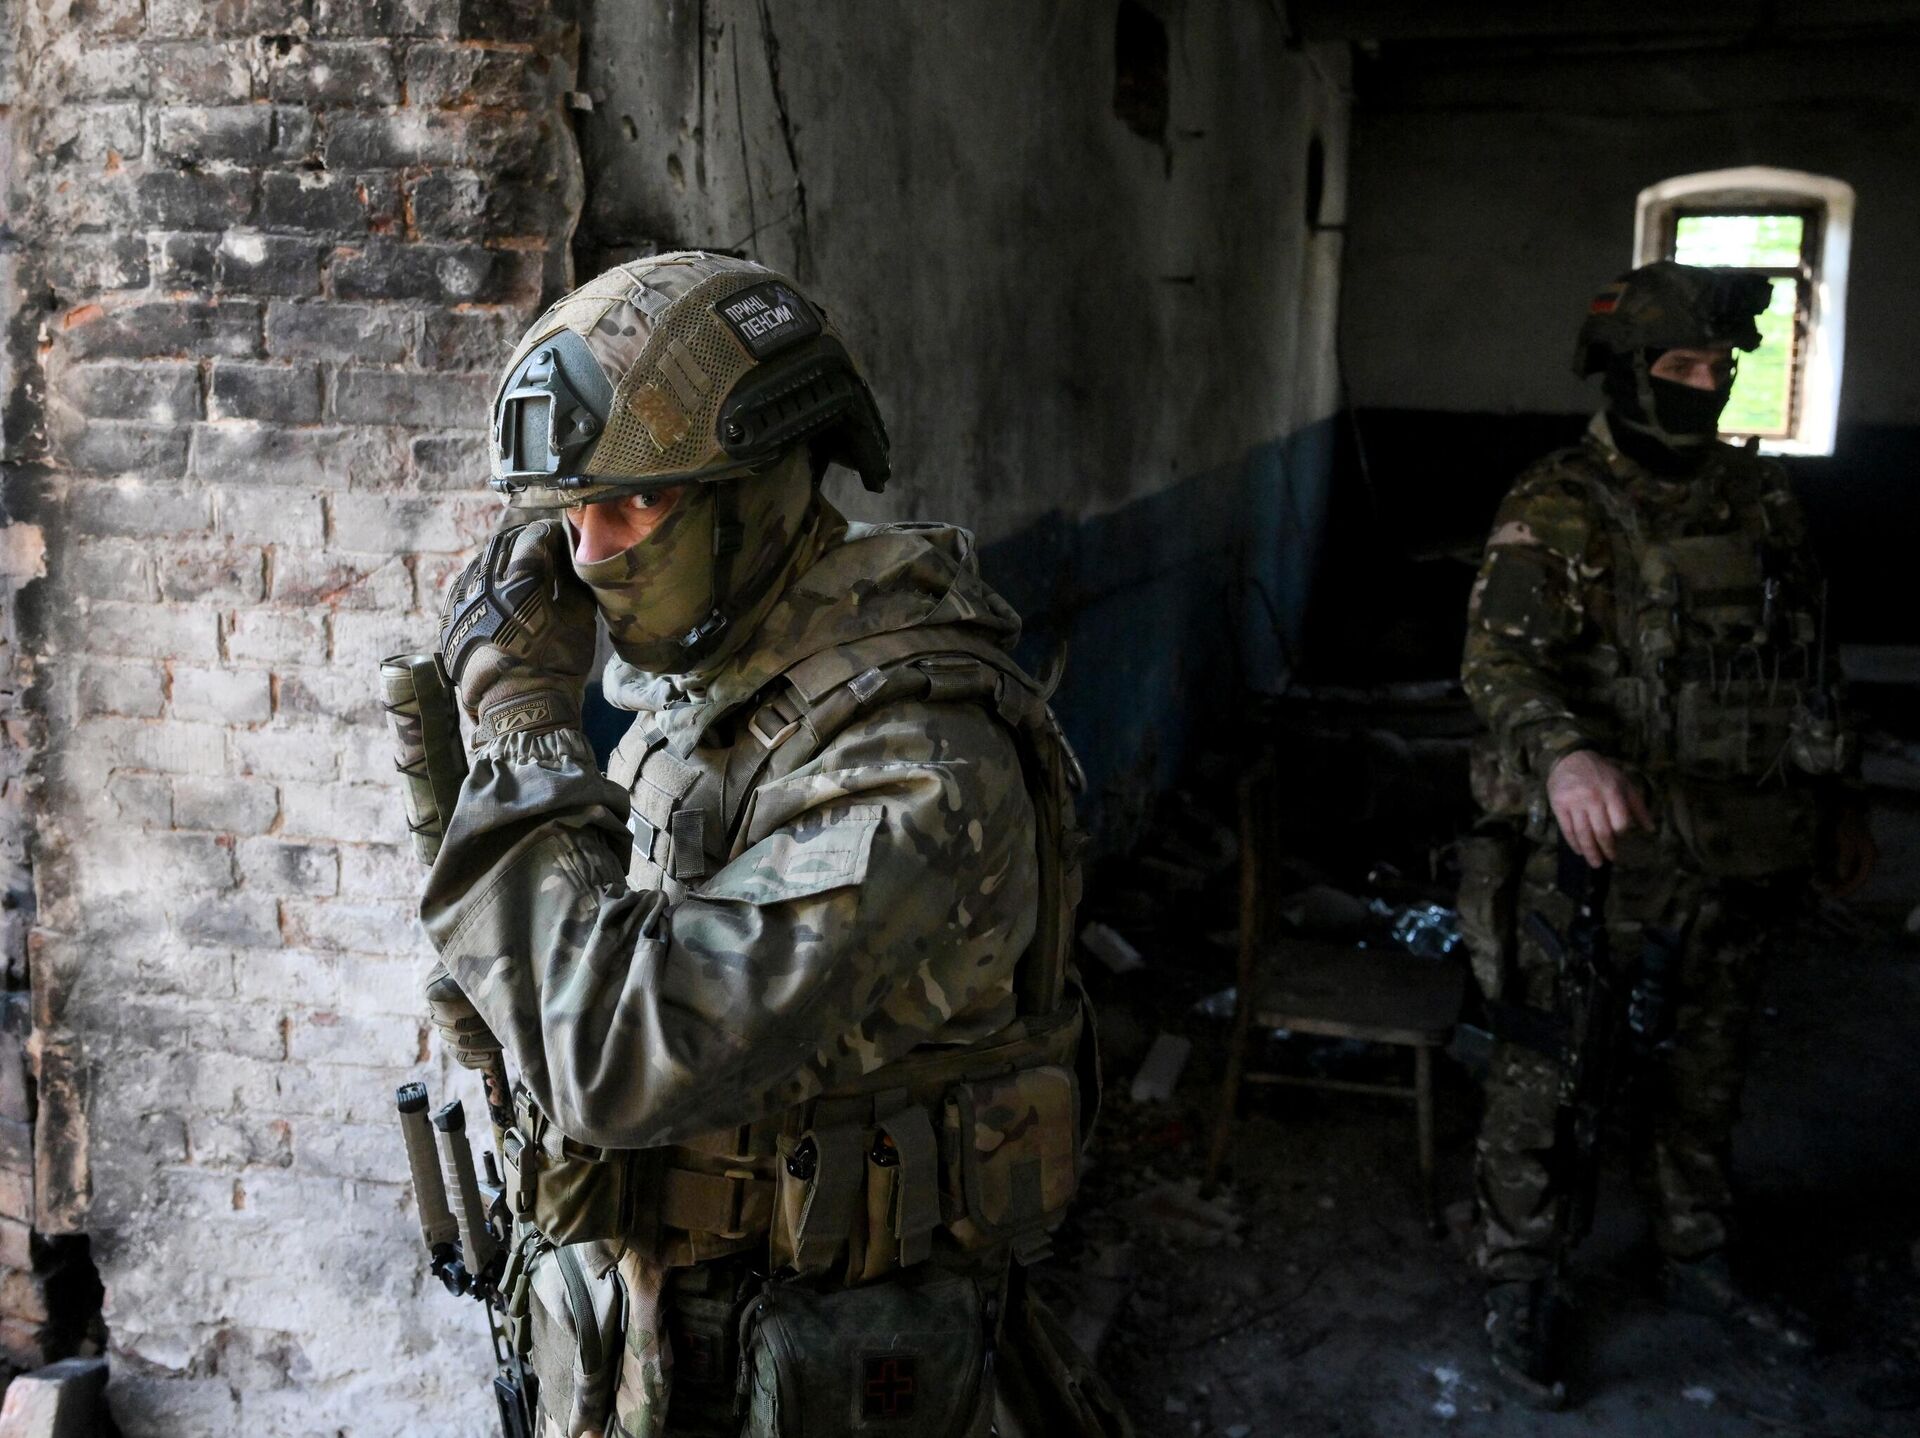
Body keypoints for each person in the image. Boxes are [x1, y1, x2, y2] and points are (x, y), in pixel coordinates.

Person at [416, 252, 1122, 1437]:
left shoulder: (916, 757)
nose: (589, 555)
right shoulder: (714, 692)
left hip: (820, 1376)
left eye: (638, 504)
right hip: (661, 1355)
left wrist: (526, 731)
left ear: (765, 485)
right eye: (571, 512)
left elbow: (615, 1064)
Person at [1457, 260, 1875, 1406]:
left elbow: (1807, 657)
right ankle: (1520, 1276)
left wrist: (1839, 794)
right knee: (1549, 1067)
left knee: (1709, 1061)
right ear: (1629, 372)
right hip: (1599, 848)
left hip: (1737, 837)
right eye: (1684, 365)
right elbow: (1496, 662)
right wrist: (1564, 753)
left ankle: (1694, 1247)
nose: (1707, 384)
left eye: (1720, 366)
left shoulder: (1760, 497)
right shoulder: (1561, 500)